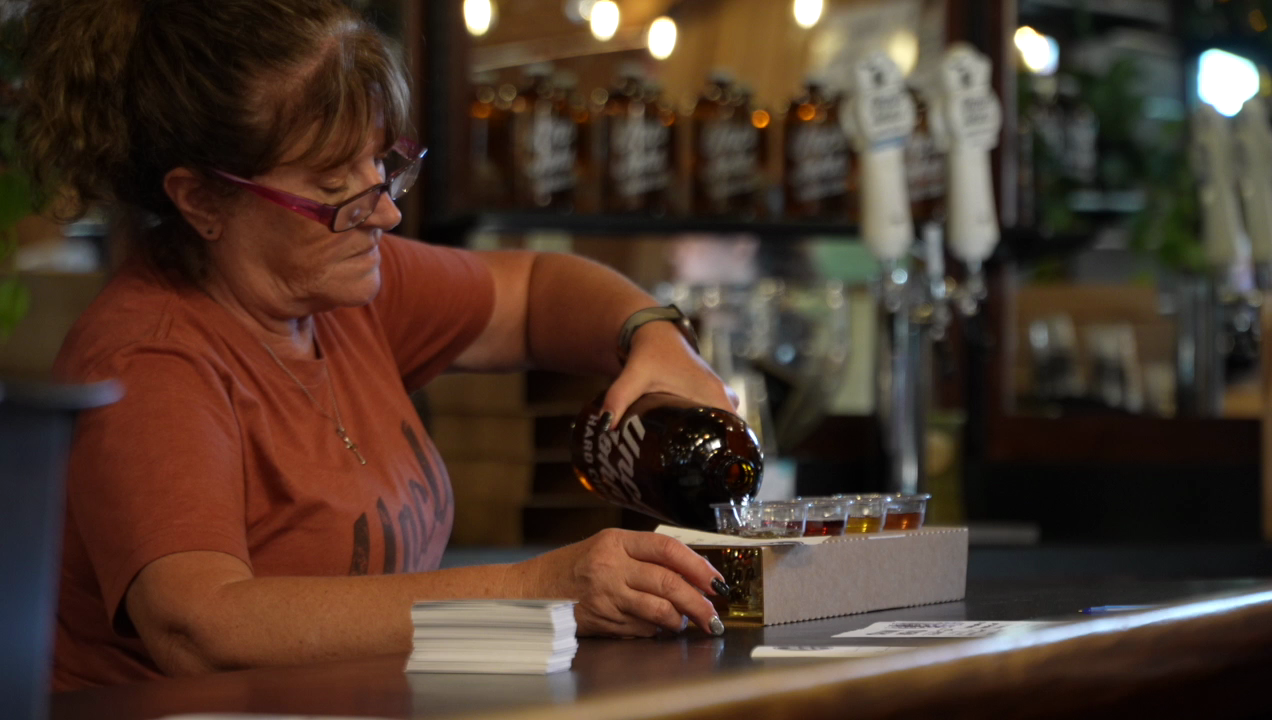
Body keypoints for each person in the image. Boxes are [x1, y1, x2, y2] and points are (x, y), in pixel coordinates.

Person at [20, 0, 737, 690]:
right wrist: (540, 587)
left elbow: (532, 292)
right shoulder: (151, 361)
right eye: (335, 186)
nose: (386, 213)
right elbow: (200, 626)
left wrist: (654, 333)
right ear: (202, 199)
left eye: (382, 165)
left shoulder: (337, 290)